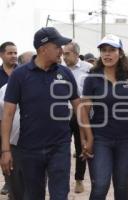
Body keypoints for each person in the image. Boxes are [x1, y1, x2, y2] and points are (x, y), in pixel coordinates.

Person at [0, 27, 93, 200]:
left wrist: (88, 137)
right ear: (43, 49)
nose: (61, 51)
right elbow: (8, 115)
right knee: (33, 195)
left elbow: (79, 107)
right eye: (58, 46)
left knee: (59, 194)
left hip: (60, 146)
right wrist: (5, 150)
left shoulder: (64, 73)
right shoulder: (19, 75)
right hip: (29, 148)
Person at [82, 34, 128, 200]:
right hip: (101, 138)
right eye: (103, 50)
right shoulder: (93, 76)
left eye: (112, 50)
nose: (107, 54)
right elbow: (83, 111)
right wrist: (88, 139)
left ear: (121, 53)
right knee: (100, 185)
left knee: (121, 185)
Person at [62, 41, 92, 193]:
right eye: (63, 53)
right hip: (61, 114)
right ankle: (62, 179)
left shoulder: (88, 69)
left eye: (67, 53)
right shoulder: (59, 69)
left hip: (81, 113)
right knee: (61, 148)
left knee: (81, 146)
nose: (64, 57)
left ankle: (79, 180)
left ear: (75, 53)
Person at [0, 41, 18, 197]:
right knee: (4, 151)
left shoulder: (23, 73)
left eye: (15, 53)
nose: (13, 56)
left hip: (19, 122)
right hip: (2, 120)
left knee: (17, 153)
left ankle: (12, 183)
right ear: (1, 55)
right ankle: (8, 180)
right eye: (10, 53)